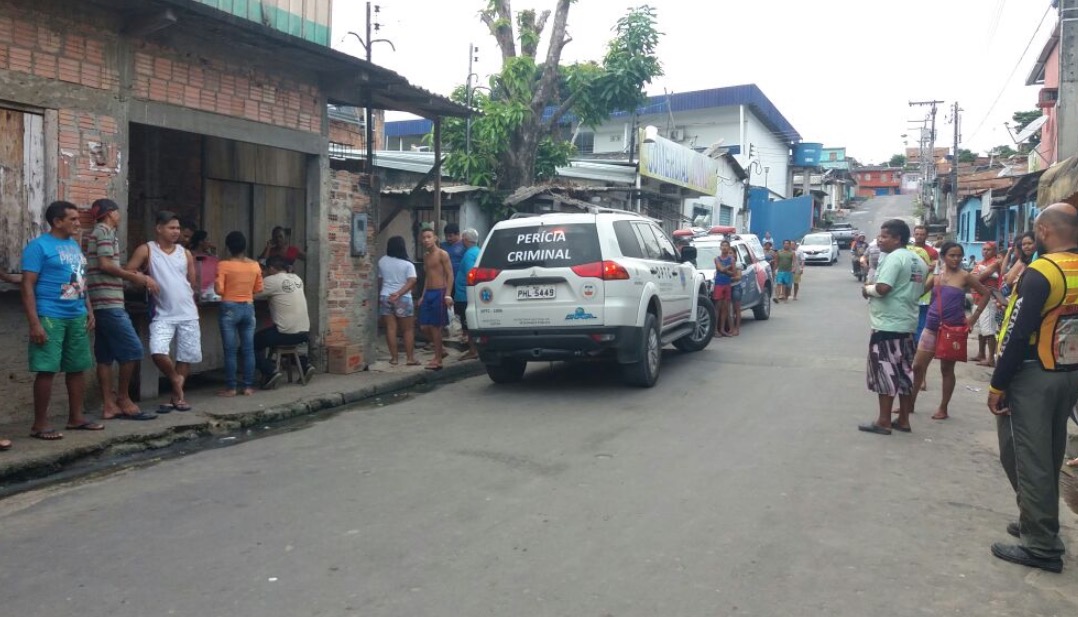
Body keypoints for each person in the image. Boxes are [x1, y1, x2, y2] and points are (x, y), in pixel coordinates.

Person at [986, 203, 1078, 574]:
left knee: (1028, 456)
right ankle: (1035, 521)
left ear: (1043, 231)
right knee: (1051, 452)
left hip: (1032, 374)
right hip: (1067, 372)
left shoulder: (1041, 271)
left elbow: (1017, 333)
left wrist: (998, 384)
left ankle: (1041, 544)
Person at [20, 201, 104, 440]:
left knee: (77, 367)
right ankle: (40, 424)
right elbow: (27, 284)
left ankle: (76, 418)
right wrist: (35, 322)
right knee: (46, 369)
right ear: (58, 222)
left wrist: (88, 309)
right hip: (50, 316)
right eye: (73, 219)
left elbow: (79, 280)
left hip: (76, 314)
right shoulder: (38, 247)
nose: (78, 224)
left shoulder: (73, 246)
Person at [86, 199, 159, 421]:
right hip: (109, 302)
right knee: (133, 350)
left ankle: (108, 405)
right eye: (118, 212)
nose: (120, 216)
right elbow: (106, 265)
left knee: (105, 356)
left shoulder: (97, 232)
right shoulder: (105, 231)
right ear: (111, 214)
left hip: (100, 300)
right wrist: (138, 277)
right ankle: (124, 399)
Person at [903, 242, 991, 422]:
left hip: (953, 329)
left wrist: (973, 318)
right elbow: (918, 292)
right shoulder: (936, 276)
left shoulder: (965, 276)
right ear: (943, 256)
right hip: (932, 325)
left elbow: (986, 294)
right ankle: (909, 403)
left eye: (959, 255)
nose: (956, 259)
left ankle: (943, 408)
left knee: (947, 369)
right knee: (918, 366)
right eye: (952, 255)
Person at [127, 211, 201, 413]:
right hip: (162, 313)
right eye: (171, 228)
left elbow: (192, 282)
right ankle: (175, 379)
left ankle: (177, 397)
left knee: (185, 356)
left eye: (177, 228)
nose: (176, 232)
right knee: (157, 351)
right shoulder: (147, 250)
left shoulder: (185, 253)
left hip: (188, 312)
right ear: (159, 228)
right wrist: (145, 279)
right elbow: (129, 271)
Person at [858, 219, 927, 436]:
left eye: (885, 236)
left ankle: (884, 420)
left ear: (898, 239)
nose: (880, 239)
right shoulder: (918, 261)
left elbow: (883, 287)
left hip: (888, 325)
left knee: (885, 372)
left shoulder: (893, 258)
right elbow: (922, 288)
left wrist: (867, 289)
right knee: (904, 373)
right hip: (908, 324)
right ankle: (904, 419)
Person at [215, 231, 263, 396]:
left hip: (229, 308)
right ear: (245, 246)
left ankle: (231, 388)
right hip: (248, 308)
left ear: (228, 247)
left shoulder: (223, 265)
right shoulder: (255, 265)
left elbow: (219, 289)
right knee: (248, 350)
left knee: (230, 351)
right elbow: (258, 289)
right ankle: (248, 387)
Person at [255, 256, 314, 388]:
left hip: (285, 333)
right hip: (304, 332)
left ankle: (269, 371)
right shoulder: (297, 278)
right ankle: (304, 364)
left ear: (271, 269)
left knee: (251, 343)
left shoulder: (271, 280)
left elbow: (252, 294)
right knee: (284, 342)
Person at [378, 236, 419, 366]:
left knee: (390, 329)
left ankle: (394, 358)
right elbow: (412, 281)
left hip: (386, 296)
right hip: (403, 298)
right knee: (407, 330)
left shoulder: (382, 261)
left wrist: (384, 293)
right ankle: (410, 358)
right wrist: (399, 293)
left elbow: (380, 280)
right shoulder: (408, 264)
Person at [419, 228, 453, 370]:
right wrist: (423, 295)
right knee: (423, 326)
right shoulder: (426, 256)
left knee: (435, 327)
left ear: (435, 238)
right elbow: (428, 276)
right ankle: (441, 350)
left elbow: (450, 274)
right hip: (429, 293)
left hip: (440, 291)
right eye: (424, 237)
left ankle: (438, 359)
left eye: (429, 237)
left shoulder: (442, 254)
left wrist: (448, 294)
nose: (426, 240)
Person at [970, 242, 1004, 366]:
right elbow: (972, 277)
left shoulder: (995, 263)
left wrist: (975, 276)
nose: (985, 252)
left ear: (994, 251)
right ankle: (981, 354)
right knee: (980, 329)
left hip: (989, 300)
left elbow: (976, 278)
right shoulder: (980, 263)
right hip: (977, 299)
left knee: (989, 329)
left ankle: (990, 359)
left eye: (988, 250)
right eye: (983, 249)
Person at [453, 228, 481, 360]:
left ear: (465, 240)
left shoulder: (470, 254)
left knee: (467, 324)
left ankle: (473, 350)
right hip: (467, 293)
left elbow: (471, 273)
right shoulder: (477, 251)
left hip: (465, 294)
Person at [912, 225, 940, 344]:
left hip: (925, 290)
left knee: (922, 319)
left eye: (922, 234)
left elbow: (935, 271)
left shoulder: (932, 252)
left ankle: (919, 343)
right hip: (909, 288)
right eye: (917, 234)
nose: (919, 236)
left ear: (926, 236)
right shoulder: (908, 250)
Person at [712, 240, 736, 336]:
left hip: (727, 284)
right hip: (719, 284)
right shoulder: (717, 259)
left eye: (727, 246)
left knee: (725, 308)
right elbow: (720, 269)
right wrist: (728, 267)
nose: (725, 247)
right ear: (720, 247)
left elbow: (732, 273)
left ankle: (722, 329)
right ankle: (715, 330)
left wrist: (724, 270)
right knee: (717, 307)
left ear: (729, 247)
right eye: (723, 246)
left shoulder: (731, 259)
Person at [729, 252, 744, 336]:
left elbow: (739, 277)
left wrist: (729, 278)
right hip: (727, 288)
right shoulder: (724, 263)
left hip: (736, 287)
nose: (730, 254)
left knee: (737, 309)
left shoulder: (738, 265)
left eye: (731, 253)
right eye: (728, 253)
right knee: (728, 310)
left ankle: (736, 329)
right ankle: (731, 328)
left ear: (735, 255)